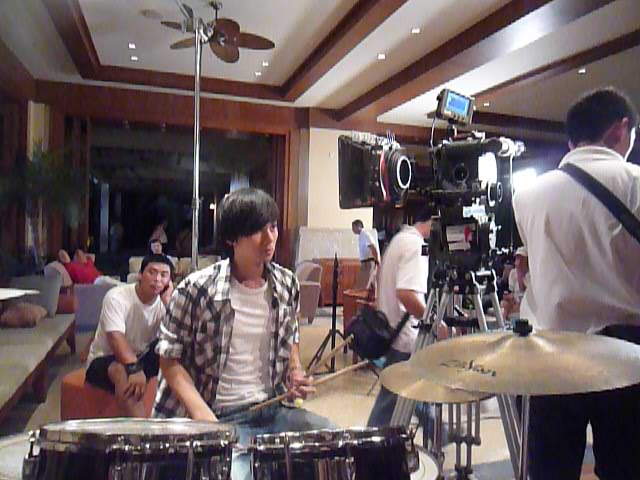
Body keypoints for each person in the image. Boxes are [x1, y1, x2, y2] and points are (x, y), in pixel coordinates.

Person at [152, 188, 333, 480]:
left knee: (336, 446)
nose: (270, 238)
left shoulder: (287, 284)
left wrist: (295, 370)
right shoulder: (196, 290)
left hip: (273, 409)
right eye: (257, 230)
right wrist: (207, 421)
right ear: (232, 238)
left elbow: (291, 334)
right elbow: (169, 360)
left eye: (273, 227)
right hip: (221, 414)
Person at [513, 87, 640, 479]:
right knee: (626, 469)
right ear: (621, 130)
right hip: (626, 355)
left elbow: (528, 269)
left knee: (550, 471)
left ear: (572, 140)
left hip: (551, 352)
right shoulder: (636, 182)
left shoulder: (527, 194)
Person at [367, 207, 433, 427]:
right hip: (405, 338)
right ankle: (370, 446)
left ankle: (438, 432)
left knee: (412, 394)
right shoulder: (416, 246)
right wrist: (436, 321)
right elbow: (406, 293)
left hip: (393, 331)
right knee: (388, 406)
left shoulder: (399, 240)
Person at [85, 253, 173, 416]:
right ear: (140, 275)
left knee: (174, 355)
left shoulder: (165, 303)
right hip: (105, 359)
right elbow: (115, 337)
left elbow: (176, 336)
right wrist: (134, 367)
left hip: (141, 355)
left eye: (164, 275)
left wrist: (169, 304)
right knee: (121, 371)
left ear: (169, 282)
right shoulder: (117, 297)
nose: (157, 279)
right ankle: (141, 429)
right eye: (152, 272)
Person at [500, 246, 529, 319]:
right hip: (515, 300)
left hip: (526, 301)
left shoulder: (530, 274)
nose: (519, 260)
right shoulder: (513, 273)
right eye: (517, 257)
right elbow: (511, 291)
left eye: (521, 258)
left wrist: (521, 274)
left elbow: (523, 289)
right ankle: (503, 323)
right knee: (505, 304)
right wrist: (509, 297)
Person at [351, 219, 380, 291]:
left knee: (364, 286)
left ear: (358, 226)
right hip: (365, 262)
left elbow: (373, 247)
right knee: (370, 284)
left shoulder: (365, 235)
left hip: (369, 262)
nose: (352, 229)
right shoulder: (361, 235)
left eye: (353, 227)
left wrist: (377, 261)